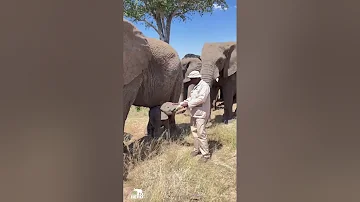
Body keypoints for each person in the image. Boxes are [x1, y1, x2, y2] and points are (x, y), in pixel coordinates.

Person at [179, 70, 211, 162]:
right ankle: (196, 150)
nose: (191, 81)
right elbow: (191, 98)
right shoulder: (195, 87)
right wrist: (183, 102)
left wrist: (188, 105)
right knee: (194, 132)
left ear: (197, 78)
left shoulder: (204, 86)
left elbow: (201, 99)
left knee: (201, 133)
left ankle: (205, 155)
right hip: (194, 113)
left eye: (192, 79)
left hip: (201, 113)